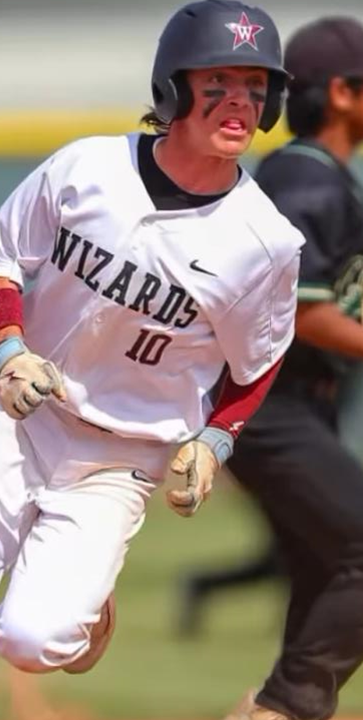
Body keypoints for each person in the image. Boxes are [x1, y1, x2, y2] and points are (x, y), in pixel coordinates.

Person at [0, 2, 304, 718]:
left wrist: (215, 441)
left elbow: (258, 363)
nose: (240, 103)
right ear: (173, 87)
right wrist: (10, 351)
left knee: (31, 641)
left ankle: (85, 611)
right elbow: (2, 261)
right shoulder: (87, 167)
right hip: (24, 424)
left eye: (256, 87)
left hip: (123, 458)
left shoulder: (265, 242)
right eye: (218, 82)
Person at [219, 16, 363, 720]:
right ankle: (281, 709)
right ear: (341, 93)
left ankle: (284, 707)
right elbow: (303, 313)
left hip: (293, 406)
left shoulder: (314, 177)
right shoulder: (306, 181)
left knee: (324, 568)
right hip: (270, 407)